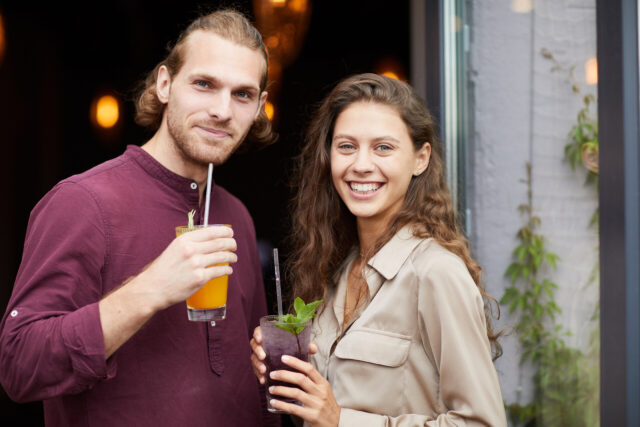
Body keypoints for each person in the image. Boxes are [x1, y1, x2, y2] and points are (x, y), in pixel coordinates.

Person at [0, 9, 281, 427]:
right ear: (165, 84)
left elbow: (255, 385)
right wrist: (150, 288)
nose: (223, 110)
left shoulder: (235, 214)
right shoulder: (82, 202)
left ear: (258, 107)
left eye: (242, 95)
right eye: (204, 84)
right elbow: (20, 366)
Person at [250, 73, 507, 426]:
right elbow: (318, 415)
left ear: (420, 158)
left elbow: (482, 423)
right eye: (346, 146)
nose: (361, 164)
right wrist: (288, 379)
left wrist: (342, 420)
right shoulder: (336, 271)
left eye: (383, 147)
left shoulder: (436, 273)